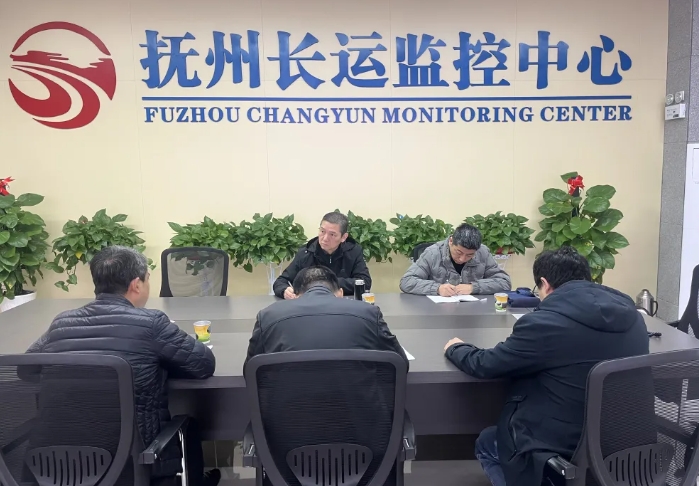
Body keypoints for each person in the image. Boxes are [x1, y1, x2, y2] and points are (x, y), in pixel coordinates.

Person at [442, 247, 649, 486]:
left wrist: (456, 348)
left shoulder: (545, 322)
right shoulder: (634, 316)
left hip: (564, 452)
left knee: (488, 441)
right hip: (630, 450)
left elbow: (486, 364)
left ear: (545, 284)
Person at [26, 246, 219, 486]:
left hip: (56, 465)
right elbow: (203, 364)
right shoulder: (152, 323)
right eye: (148, 278)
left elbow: (26, 368)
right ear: (136, 284)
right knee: (189, 425)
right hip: (132, 463)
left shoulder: (62, 323)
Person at [249, 265, 406, 363]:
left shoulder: (268, 316)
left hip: (288, 406)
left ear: (295, 295)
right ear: (341, 293)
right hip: (359, 406)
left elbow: (251, 368)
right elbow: (399, 362)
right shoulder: (369, 313)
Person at [273, 211, 371, 299]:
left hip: (342, 305)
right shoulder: (306, 253)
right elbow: (280, 282)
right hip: (311, 305)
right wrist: (284, 290)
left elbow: (365, 282)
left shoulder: (353, 251)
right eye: (322, 231)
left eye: (332, 234)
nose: (325, 238)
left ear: (343, 237)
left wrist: (327, 283)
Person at [400, 223, 510, 296]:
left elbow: (504, 282)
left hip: (473, 312)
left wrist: (474, 287)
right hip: (436, 312)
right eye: (459, 252)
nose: (462, 259)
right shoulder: (432, 253)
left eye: (470, 255)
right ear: (451, 241)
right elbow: (407, 281)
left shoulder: (483, 252)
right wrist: (437, 288)